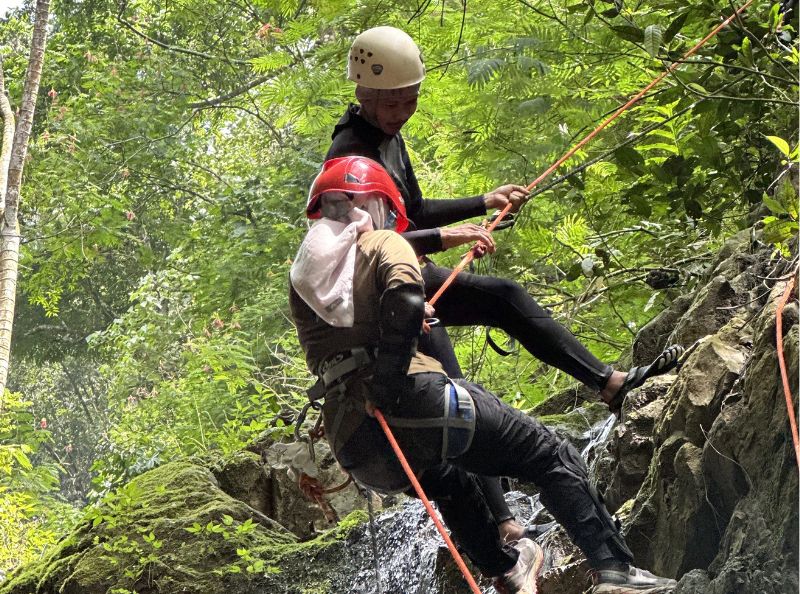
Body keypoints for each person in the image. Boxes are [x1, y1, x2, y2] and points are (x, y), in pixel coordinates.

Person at [325, 25, 683, 543]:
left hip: (410, 274)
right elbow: (365, 244)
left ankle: (610, 384)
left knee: (505, 298)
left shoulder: (388, 138)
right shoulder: (346, 156)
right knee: (452, 391)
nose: (403, 112)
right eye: (394, 104)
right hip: (386, 294)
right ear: (365, 95)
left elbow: (413, 211)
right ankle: (503, 525)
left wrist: (483, 202)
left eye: (411, 101)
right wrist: (449, 237)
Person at [289, 156, 678, 594]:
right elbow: (406, 297)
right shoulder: (381, 241)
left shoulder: (305, 280)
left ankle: (507, 570)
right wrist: (389, 379)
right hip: (412, 399)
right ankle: (616, 573)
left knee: (452, 481)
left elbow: (364, 323)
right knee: (550, 455)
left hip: (354, 440)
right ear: (377, 204)